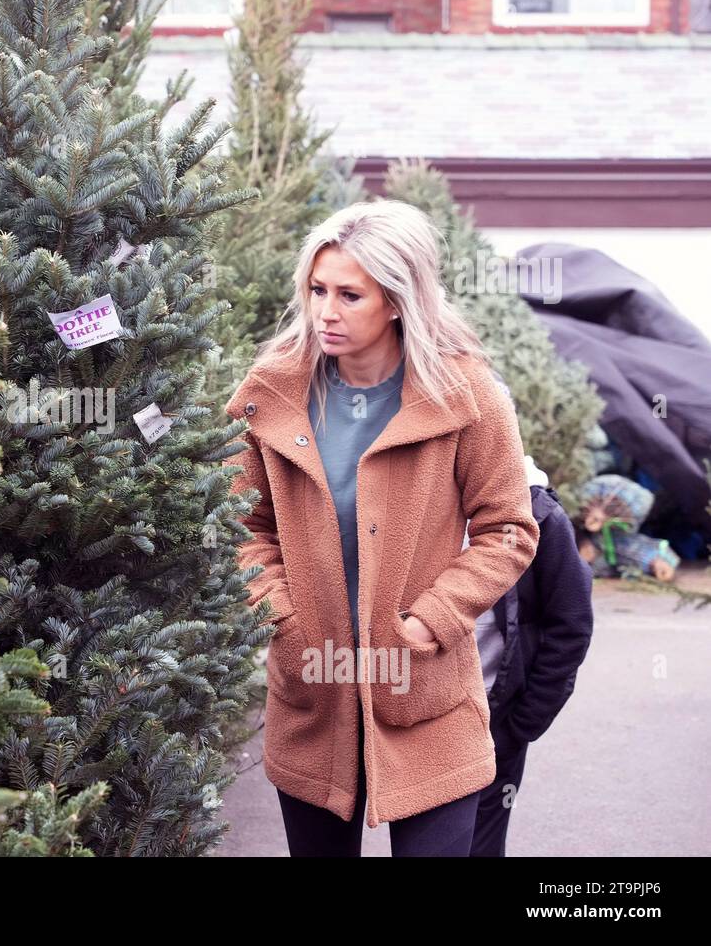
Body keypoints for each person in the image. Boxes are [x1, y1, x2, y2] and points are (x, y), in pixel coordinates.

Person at [225, 200, 540, 856]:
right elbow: (237, 525)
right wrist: (284, 622)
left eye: (349, 295)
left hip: (427, 698)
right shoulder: (274, 389)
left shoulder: (466, 394)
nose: (325, 312)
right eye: (316, 290)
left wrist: (429, 622)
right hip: (312, 694)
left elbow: (508, 529)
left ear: (398, 300)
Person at [470, 451, 595, 856]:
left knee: (480, 844)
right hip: (419, 717)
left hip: (495, 721)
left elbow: (571, 624)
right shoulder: (412, 498)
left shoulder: (537, 512)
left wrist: (523, 722)